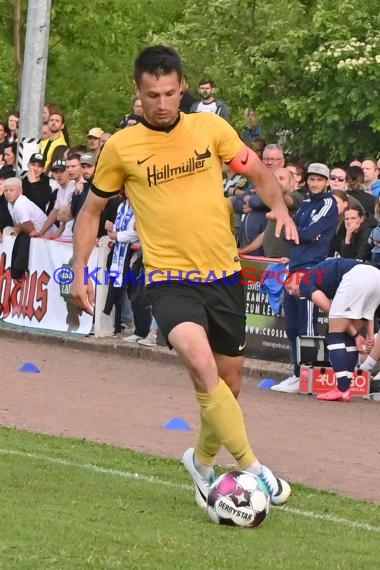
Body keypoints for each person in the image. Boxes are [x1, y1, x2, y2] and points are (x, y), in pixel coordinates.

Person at [71, 45, 297, 510]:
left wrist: (276, 205)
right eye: (151, 94)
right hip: (169, 279)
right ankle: (253, 467)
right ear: (137, 91)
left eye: (170, 92)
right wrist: (79, 271)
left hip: (224, 275)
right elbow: (91, 211)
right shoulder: (121, 147)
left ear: (183, 88)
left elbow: (256, 170)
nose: (161, 102)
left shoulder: (209, 128)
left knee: (228, 387)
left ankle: (202, 461)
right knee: (199, 361)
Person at [272, 163, 339, 393]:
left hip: (312, 268)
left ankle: (308, 376)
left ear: (327, 181)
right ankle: (296, 373)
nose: (314, 183)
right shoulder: (307, 203)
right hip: (294, 265)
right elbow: (293, 233)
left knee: (307, 323)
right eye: (311, 179)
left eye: (319, 180)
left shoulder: (329, 203)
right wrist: (300, 234)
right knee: (291, 324)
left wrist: (298, 233)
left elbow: (307, 233)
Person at [285, 257, 380, 401]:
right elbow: (366, 312)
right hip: (376, 276)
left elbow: (331, 311)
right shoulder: (325, 277)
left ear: (297, 277)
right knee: (346, 336)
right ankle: (346, 388)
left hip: (357, 277)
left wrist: (356, 336)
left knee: (334, 333)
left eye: (289, 288)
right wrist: (369, 333)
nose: (290, 293)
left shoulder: (306, 282)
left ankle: (342, 388)